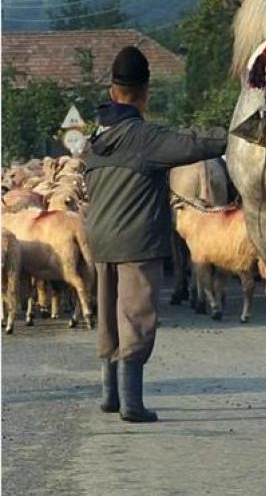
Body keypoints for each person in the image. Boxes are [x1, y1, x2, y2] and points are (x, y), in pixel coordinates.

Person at [82, 46, 228, 422]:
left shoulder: (94, 141)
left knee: (108, 316)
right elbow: (195, 143)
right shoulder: (145, 137)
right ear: (146, 94)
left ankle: (109, 395)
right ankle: (132, 403)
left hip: (100, 239)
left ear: (112, 92)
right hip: (138, 240)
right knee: (137, 315)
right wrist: (238, 133)